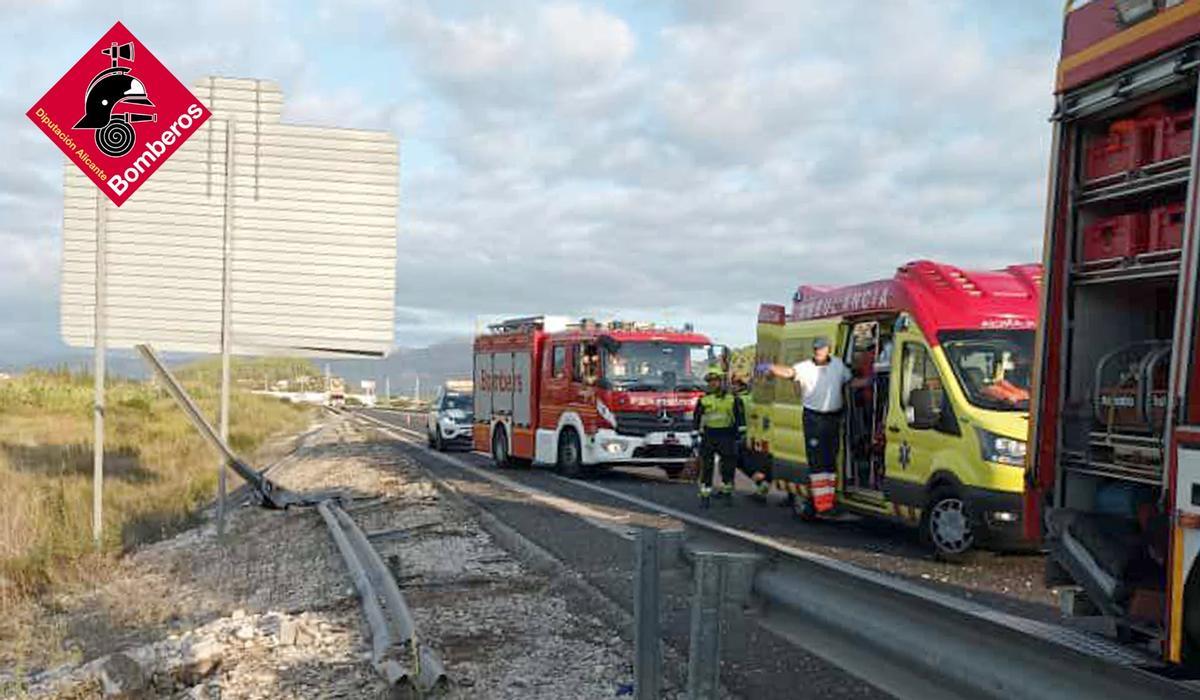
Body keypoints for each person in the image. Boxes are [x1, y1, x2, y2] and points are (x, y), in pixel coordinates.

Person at [758, 336, 861, 517]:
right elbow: (789, 372)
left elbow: (850, 381)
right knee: (818, 462)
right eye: (815, 349)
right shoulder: (805, 367)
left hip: (833, 418)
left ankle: (828, 501)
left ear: (828, 349)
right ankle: (823, 506)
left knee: (831, 459)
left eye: (821, 349)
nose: (818, 352)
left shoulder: (837, 365)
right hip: (814, 418)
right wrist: (771, 368)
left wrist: (872, 380)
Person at [693, 367, 744, 508]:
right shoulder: (703, 399)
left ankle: (727, 493)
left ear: (722, 382)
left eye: (715, 381)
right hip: (709, 436)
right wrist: (694, 433)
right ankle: (705, 495)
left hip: (727, 435)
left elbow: (740, 418)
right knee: (707, 467)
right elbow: (696, 418)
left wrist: (741, 433)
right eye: (710, 382)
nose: (712, 384)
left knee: (728, 467)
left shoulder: (733, 399)